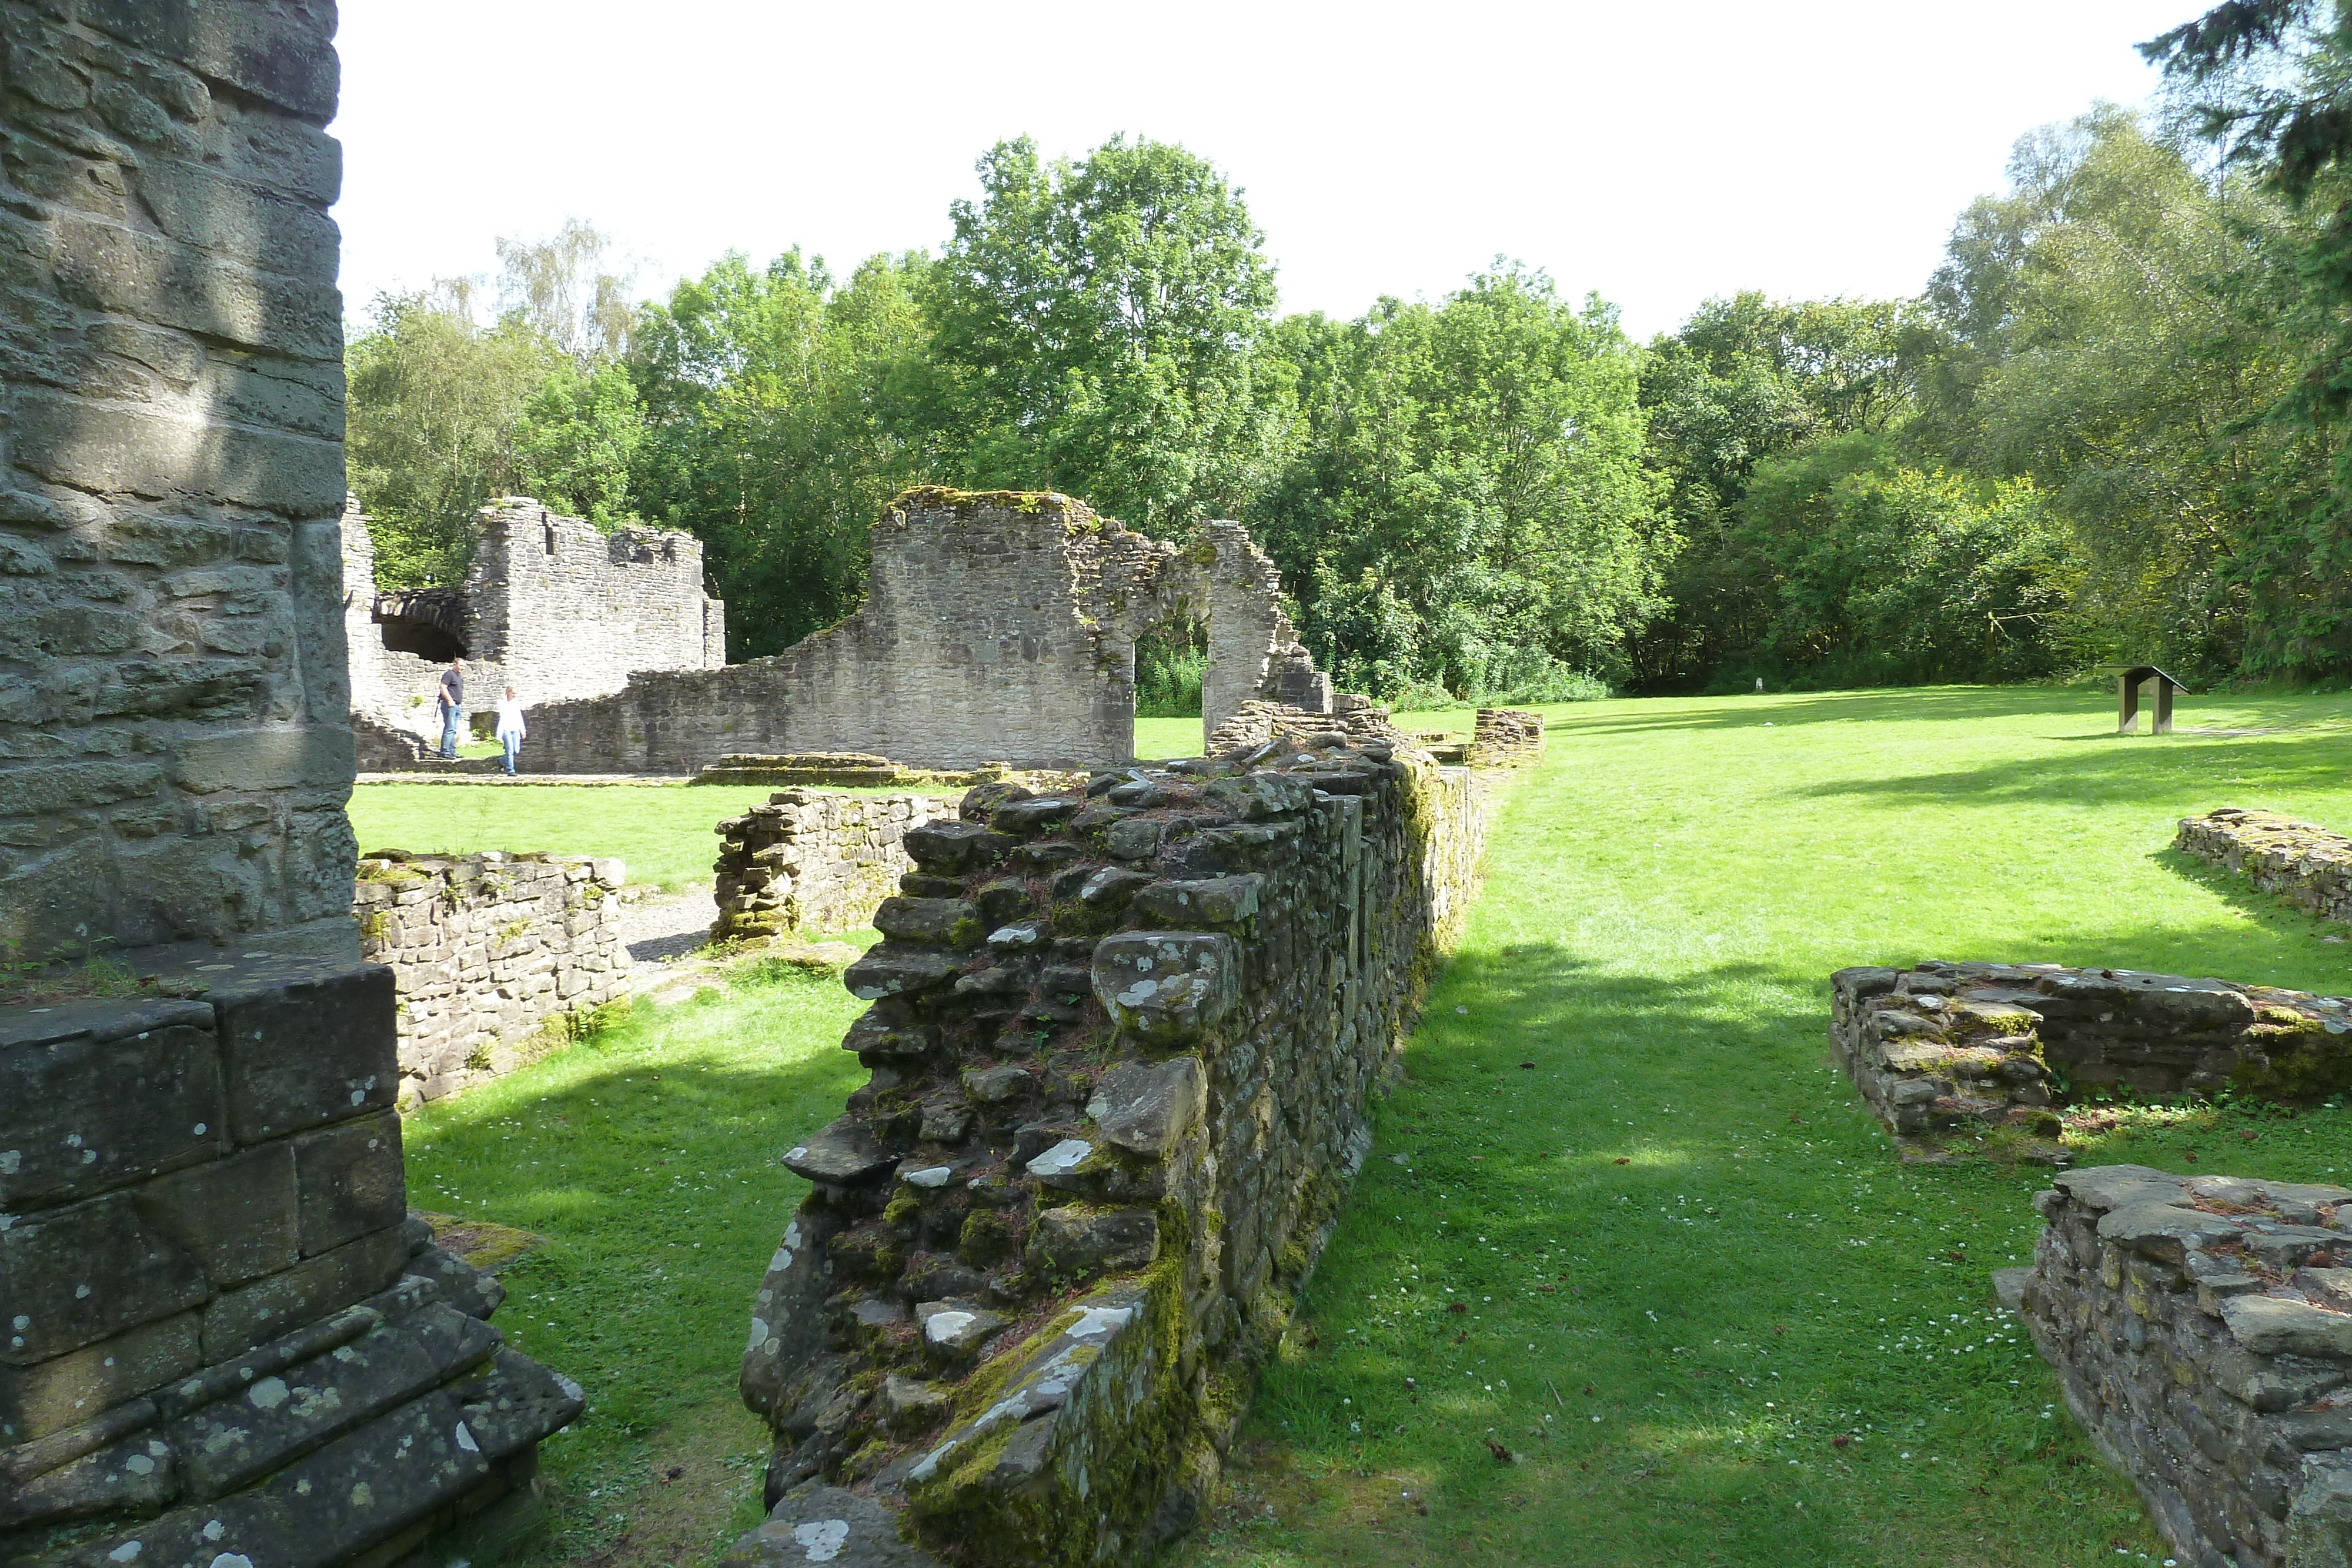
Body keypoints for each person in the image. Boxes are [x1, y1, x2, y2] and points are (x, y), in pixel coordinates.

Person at [437, 657, 466, 760]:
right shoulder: (449, 674)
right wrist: (450, 700)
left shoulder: (459, 677)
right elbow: (443, 687)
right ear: (455, 664)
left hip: (457, 705)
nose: (463, 668)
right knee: (450, 728)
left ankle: (452, 752)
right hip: (450, 705)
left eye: (464, 666)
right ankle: (445, 752)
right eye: (461, 665)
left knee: (453, 729)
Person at [495, 686, 527, 776]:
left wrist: (523, 730)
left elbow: (519, 717)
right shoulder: (502, 703)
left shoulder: (516, 704)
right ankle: (510, 770)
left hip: (515, 728)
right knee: (510, 750)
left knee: (516, 750)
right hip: (506, 728)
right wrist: (504, 698)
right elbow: (502, 709)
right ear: (508, 693)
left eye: (516, 693)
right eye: (513, 693)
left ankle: (501, 761)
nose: (515, 695)